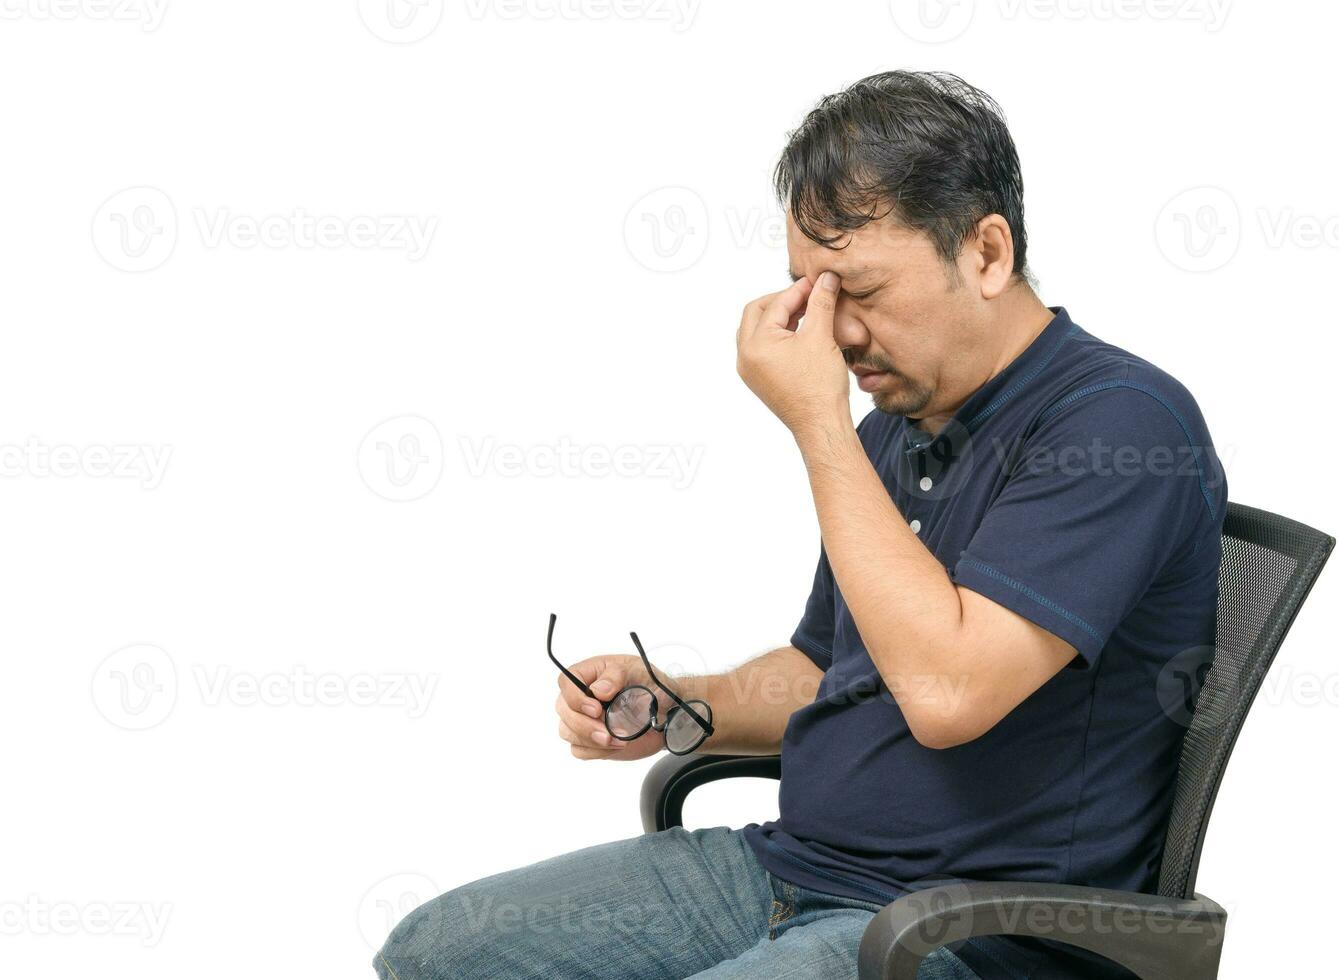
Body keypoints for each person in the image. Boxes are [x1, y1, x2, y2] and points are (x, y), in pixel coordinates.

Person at [374, 69, 1226, 980]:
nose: (833, 334)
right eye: (807, 293)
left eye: (858, 289)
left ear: (985, 253)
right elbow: (823, 669)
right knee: (435, 951)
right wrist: (677, 705)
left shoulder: (1118, 425)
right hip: (790, 870)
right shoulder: (896, 429)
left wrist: (818, 427)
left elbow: (947, 696)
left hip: (966, 933)